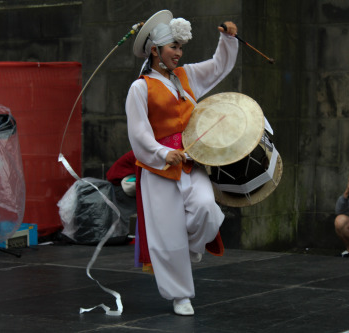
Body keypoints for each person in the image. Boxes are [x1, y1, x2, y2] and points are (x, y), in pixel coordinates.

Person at [125, 10, 238, 316]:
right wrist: (162, 153)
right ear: (155, 50)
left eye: (180, 47)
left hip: (191, 161)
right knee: (168, 233)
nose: (178, 53)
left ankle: (193, 247)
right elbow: (138, 132)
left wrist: (227, 39)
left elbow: (218, 67)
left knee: (206, 210)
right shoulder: (140, 88)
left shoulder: (187, 76)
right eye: (173, 47)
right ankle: (180, 296)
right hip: (158, 170)